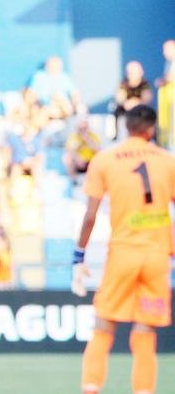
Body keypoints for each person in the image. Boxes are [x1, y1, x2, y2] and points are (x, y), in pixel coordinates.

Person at [72, 105, 175, 394]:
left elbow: (90, 216)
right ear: (151, 130)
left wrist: (79, 255)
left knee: (103, 326)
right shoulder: (168, 161)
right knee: (145, 332)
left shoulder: (105, 160)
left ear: (125, 127)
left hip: (123, 254)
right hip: (157, 257)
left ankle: (91, 388)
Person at [111, 61, 152, 140]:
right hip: (126, 110)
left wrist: (137, 103)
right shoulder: (124, 83)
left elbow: (147, 99)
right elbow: (119, 98)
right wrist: (126, 103)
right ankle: (117, 137)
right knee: (117, 112)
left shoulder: (144, 84)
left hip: (140, 111)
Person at [63, 117, 101, 185]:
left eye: (85, 128)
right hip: (78, 162)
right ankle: (74, 181)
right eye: (81, 129)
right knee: (67, 158)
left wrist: (88, 140)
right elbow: (69, 150)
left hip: (91, 162)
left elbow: (98, 150)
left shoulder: (93, 136)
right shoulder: (73, 137)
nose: (83, 131)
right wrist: (78, 158)